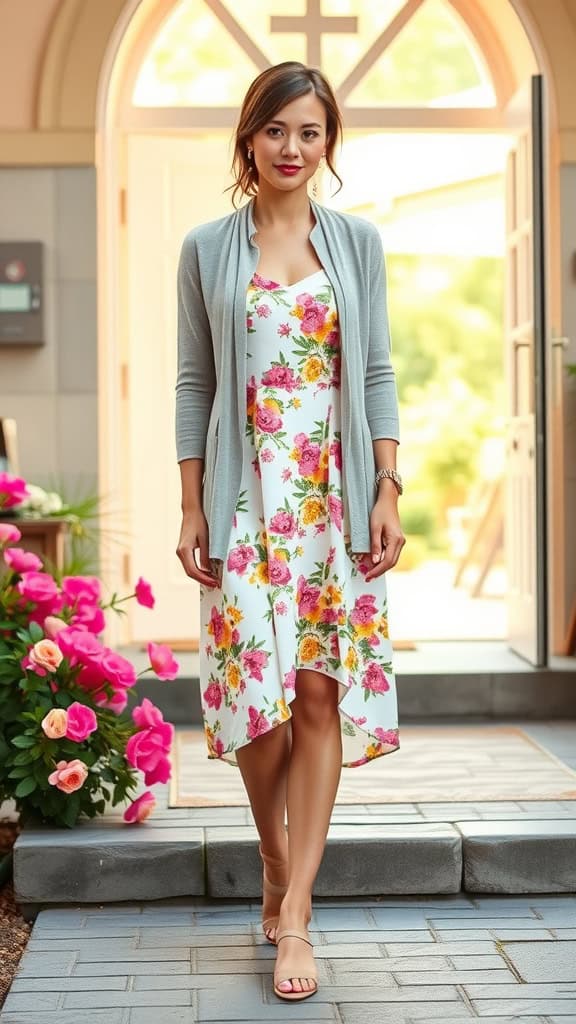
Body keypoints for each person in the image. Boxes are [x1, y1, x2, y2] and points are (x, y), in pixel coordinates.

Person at [175, 61, 405, 1003]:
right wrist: (191, 503)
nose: (292, 148)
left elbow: (379, 373)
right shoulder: (206, 247)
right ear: (249, 137)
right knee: (255, 709)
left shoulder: (357, 244)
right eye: (277, 130)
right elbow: (197, 383)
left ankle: (297, 913)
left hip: (332, 499)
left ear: (328, 145)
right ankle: (274, 856)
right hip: (244, 499)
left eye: (309, 133)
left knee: (317, 693)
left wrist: (388, 486)